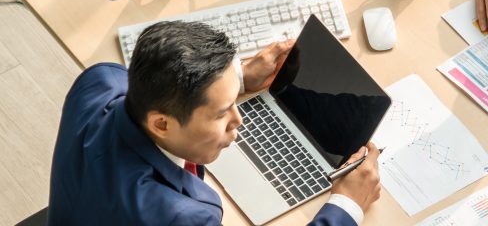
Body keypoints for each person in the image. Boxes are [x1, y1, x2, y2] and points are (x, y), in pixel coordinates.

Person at [49, 21, 381, 225]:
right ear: (162, 125)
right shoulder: (180, 218)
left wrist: (238, 79)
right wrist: (346, 205)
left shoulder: (99, 81)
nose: (238, 119)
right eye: (221, 113)